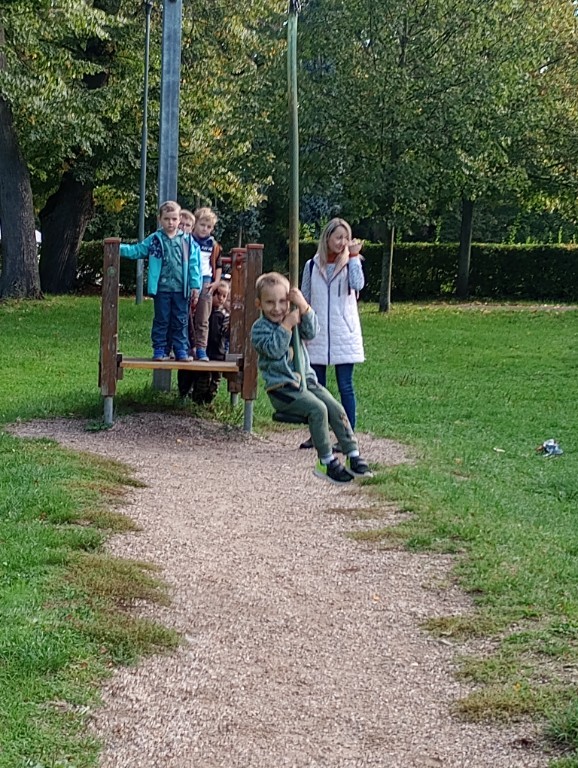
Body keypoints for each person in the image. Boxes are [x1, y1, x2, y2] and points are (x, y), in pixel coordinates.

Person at [251, 272, 372, 484]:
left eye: (282, 301)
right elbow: (274, 350)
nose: (277, 308)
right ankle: (326, 461)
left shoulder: (293, 316)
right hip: (283, 388)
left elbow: (312, 331)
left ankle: (352, 453)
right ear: (259, 304)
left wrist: (304, 307)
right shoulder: (259, 329)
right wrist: (287, 325)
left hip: (307, 381)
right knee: (318, 409)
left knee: (335, 408)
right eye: (270, 302)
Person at [299, 217, 365, 450]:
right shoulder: (311, 265)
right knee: (316, 387)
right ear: (327, 238)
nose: (342, 242)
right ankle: (318, 434)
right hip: (317, 334)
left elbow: (358, 285)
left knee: (345, 385)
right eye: (338, 237)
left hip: (343, 333)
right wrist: (304, 325)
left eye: (346, 238)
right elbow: (305, 297)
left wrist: (354, 258)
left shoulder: (351, 264)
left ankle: (348, 435)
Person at [119, 200, 201, 362]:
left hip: (181, 289)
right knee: (161, 320)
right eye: (167, 219)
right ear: (160, 219)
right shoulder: (155, 239)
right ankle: (159, 349)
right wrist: (118, 248)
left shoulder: (187, 240)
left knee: (180, 320)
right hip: (162, 289)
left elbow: (193, 265)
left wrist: (195, 285)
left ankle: (180, 350)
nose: (171, 223)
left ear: (179, 219)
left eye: (174, 219)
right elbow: (137, 250)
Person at [178, 279, 230, 403]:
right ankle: (194, 398)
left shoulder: (225, 315)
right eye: (218, 294)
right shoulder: (203, 313)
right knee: (201, 377)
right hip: (204, 352)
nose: (221, 299)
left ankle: (207, 401)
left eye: (224, 296)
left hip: (218, 353)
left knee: (215, 380)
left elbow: (225, 335)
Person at [192, 206, 222, 361]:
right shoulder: (188, 240)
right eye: (202, 225)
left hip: (206, 280)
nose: (205, 229)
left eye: (209, 226)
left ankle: (201, 348)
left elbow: (218, 264)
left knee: (203, 316)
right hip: (189, 279)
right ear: (195, 224)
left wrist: (216, 282)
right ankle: (184, 346)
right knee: (184, 315)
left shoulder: (213, 245)